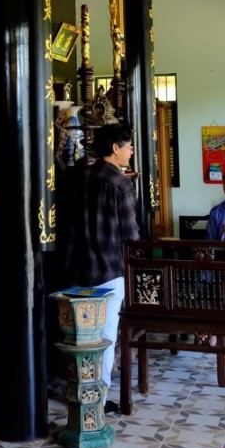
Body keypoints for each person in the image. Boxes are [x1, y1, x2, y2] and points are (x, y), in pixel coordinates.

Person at [63, 123, 140, 415]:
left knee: (80, 337)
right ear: (114, 148)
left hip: (77, 268)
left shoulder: (78, 177)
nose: (131, 152)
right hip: (109, 271)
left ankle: (77, 390)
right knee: (105, 339)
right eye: (128, 146)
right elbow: (130, 234)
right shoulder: (121, 184)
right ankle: (98, 397)